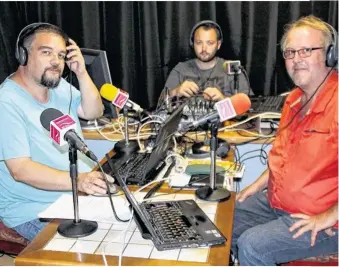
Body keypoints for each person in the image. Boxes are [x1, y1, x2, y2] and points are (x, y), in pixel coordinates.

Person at [231, 15, 338, 265]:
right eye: (290, 53)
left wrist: (329, 216)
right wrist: (256, 186)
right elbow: (283, 157)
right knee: (227, 217)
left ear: (330, 55)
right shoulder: (293, 100)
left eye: (306, 50)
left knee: (252, 246)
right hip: (278, 204)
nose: (296, 59)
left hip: (324, 220)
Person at [0, 23, 113, 242]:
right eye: (46, 52)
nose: (56, 62)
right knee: (93, 250)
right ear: (23, 55)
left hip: (75, 195)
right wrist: (79, 181)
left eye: (61, 55)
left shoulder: (58, 86)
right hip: (34, 211)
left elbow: (93, 111)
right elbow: (20, 170)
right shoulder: (6, 102)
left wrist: (81, 73)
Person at [164, 20, 251, 101]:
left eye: (209, 43)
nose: (204, 48)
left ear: (218, 44)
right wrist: (175, 92)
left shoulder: (233, 68)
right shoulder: (181, 69)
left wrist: (223, 99)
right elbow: (161, 102)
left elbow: (247, 104)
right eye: (199, 42)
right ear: (192, 44)